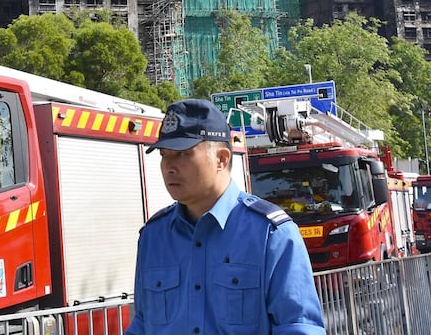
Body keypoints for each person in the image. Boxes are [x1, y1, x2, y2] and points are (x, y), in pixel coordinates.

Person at [125, 99, 326, 335]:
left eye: (182, 154)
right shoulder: (153, 237)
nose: (169, 166)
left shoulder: (270, 234)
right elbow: (142, 323)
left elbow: (298, 327)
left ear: (222, 159)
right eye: (164, 155)